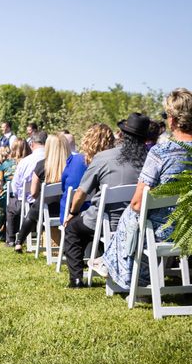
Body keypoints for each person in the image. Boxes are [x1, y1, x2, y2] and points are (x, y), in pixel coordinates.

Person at [99, 89, 192, 291]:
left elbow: (138, 203)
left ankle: (126, 274)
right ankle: (108, 263)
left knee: (131, 214)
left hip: (165, 231)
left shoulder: (161, 153)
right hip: (188, 227)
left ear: (173, 120)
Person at [62, 113, 150, 288]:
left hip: (105, 223)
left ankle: (77, 279)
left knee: (73, 229)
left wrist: (72, 213)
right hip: (142, 223)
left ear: (123, 134)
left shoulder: (103, 157)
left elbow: (81, 193)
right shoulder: (150, 159)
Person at [14, 134, 70, 252]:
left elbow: (33, 193)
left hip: (46, 210)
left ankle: (19, 240)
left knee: (31, 214)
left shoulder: (41, 165)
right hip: (66, 208)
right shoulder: (71, 165)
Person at [60, 124, 115, 223]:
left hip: (78, 213)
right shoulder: (114, 162)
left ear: (87, 140)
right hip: (107, 215)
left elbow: (66, 188)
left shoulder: (76, 161)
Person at [5, 131, 47, 245]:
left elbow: (15, 186)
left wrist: (20, 196)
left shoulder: (25, 161)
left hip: (28, 202)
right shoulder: (54, 159)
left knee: (11, 206)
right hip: (51, 203)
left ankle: (11, 239)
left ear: (32, 144)